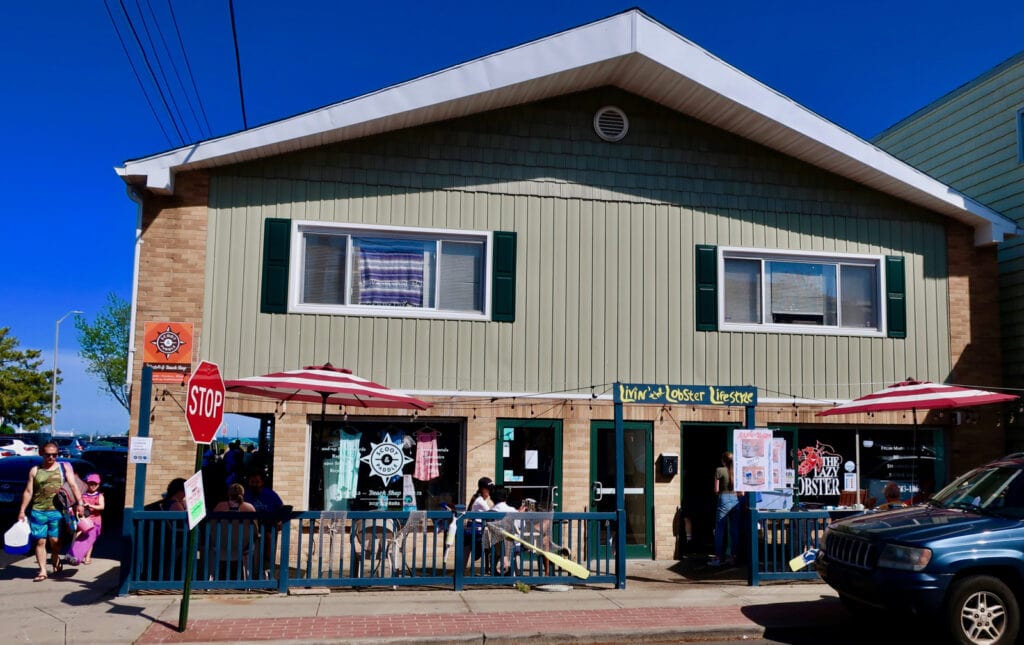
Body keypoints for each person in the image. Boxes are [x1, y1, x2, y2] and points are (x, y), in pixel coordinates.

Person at [17, 442, 84, 581]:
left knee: (55, 541)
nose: (52, 457)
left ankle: (54, 556)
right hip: (38, 511)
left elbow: (73, 485)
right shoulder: (35, 470)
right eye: (48, 455)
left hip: (57, 512)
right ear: (42, 453)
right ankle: (42, 570)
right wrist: (22, 510)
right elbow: (29, 491)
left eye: (55, 455)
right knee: (40, 542)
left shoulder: (63, 467)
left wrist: (80, 503)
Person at [710, 451, 742, 567]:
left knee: (720, 530)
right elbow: (742, 493)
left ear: (723, 460)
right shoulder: (737, 471)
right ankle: (733, 557)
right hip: (735, 500)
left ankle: (718, 558)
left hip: (723, 499)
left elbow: (716, 490)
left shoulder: (719, 470)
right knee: (734, 530)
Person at [68, 473, 104, 565]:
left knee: (90, 539)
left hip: (95, 520)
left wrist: (91, 505)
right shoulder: (83, 495)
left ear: (98, 485)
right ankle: (76, 555)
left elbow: (102, 507)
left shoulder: (99, 496)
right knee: (78, 537)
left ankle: (87, 557)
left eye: (94, 484)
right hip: (84, 520)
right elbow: (77, 506)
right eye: (90, 484)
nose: (92, 486)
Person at [462, 477, 494, 570]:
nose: (490, 492)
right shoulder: (480, 500)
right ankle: (489, 569)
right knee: (488, 547)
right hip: (475, 530)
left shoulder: (479, 499)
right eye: (489, 490)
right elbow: (490, 513)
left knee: (467, 550)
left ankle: (461, 570)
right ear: (483, 489)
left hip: (473, 528)